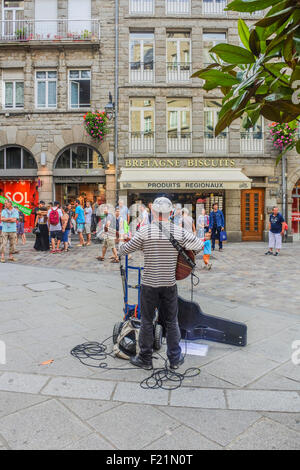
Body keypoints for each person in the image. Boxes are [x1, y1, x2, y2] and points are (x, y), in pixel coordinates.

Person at [119, 197, 204, 370]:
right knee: (172, 322)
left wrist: (124, 239)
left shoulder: (145, 231)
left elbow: (123, 250)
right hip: (169, 284)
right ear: (171, 213)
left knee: (147, 321)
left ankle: (145, 359)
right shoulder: (178, 231)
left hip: (149, 284)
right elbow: (199, 244)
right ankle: (174, 359)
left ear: (152, 212)